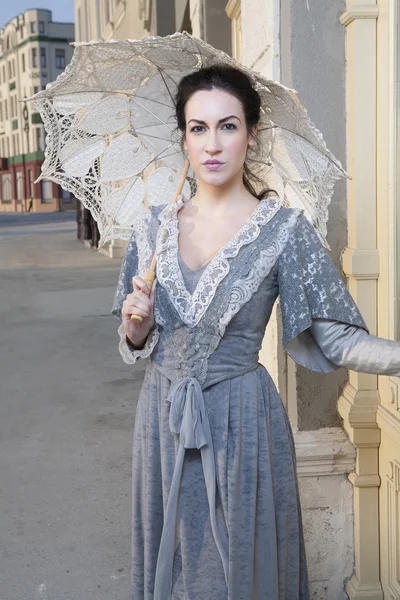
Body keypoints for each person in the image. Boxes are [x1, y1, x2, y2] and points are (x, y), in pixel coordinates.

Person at [112, 66, 400, 600]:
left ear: (251, 134)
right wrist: (138, 326)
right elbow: (133, 345)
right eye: (198, 128)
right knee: (173, 563)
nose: (213, 143)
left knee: (239, 569)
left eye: (227, 126)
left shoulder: (284, 231)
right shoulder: (153, 228)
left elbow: (337, 341)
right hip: (163, 418)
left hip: (243, 421)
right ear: (183, 138)